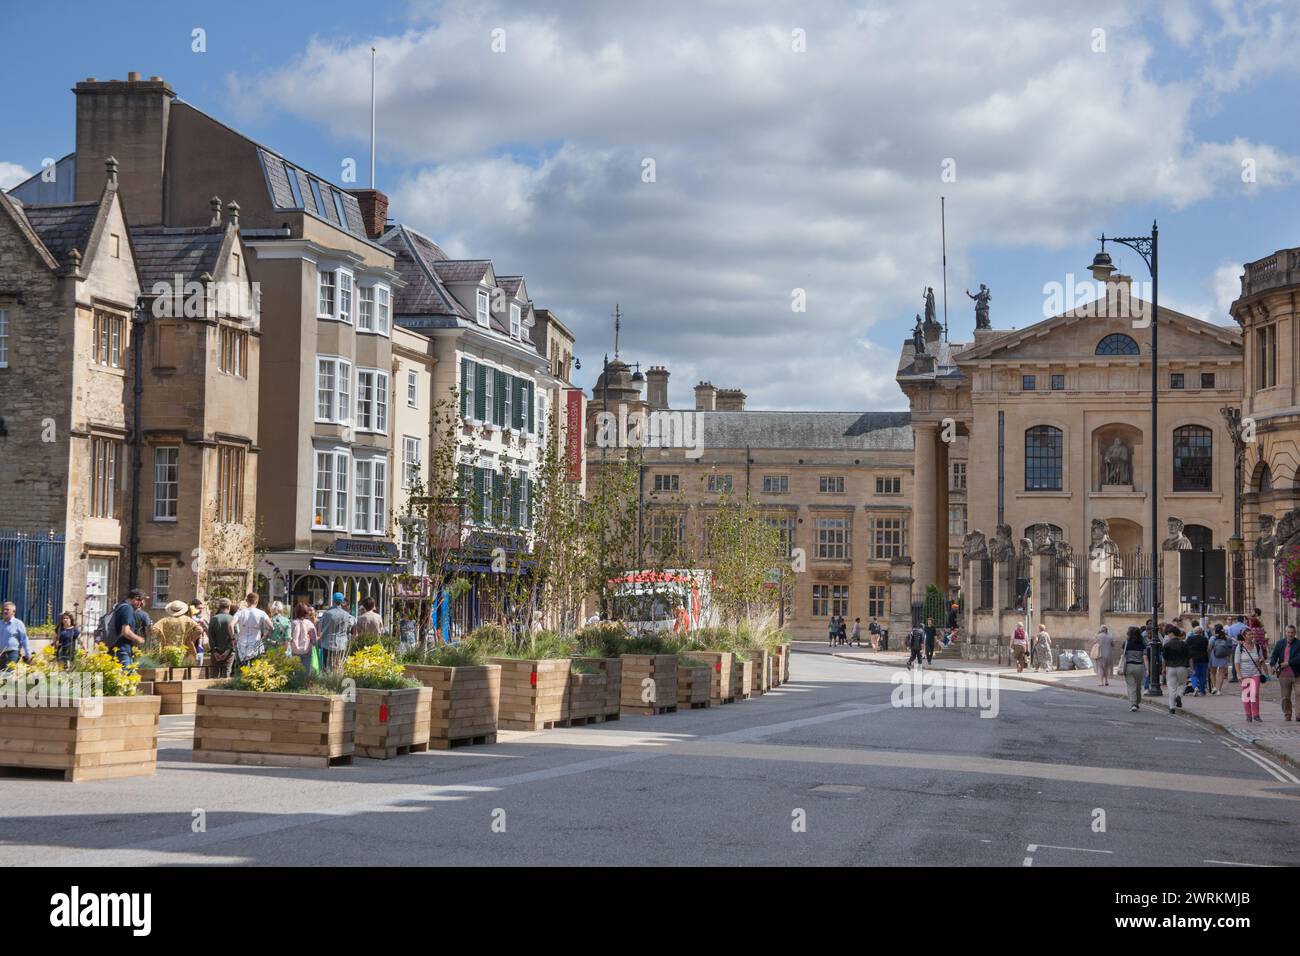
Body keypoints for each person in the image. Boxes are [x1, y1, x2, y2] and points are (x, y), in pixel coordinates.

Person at [1235, 628, 1270, 724]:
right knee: (1246, 695)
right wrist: (1239, 674)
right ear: (1244, 636)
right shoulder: (1240, 647)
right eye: (1249, 634)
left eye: (1252, 634)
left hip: (1255, 673)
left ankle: (1256, 714)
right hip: (1244, 674)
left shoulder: (1257, 646)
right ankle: (1248, 715)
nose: (1251, 636)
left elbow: (1261, 659)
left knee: (1255, 694)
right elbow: (1237, 662)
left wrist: (1266, 672)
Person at [106, 590, 147, 668]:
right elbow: (126, 631)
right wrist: (139, 639)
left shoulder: (120, 606)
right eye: (141, 600)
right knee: (127, 676)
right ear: (136, 598)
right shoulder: (127, 609)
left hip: (114, 647)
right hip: (122, 650)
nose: (141, 604)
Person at [318, 592, 356, 673]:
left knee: (326, 666)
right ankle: (337, 680)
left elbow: (319, 626)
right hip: (341, 643)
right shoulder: (346, 614)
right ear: (342, 601)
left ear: (333, 600)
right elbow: (352, 623)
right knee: (338, 665)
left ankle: (327, 681)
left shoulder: (327, 613)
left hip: (327, 643)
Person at [1268, 624, 1299, 722]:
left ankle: (1298, 715)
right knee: (1285, 697)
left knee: (1299, 694)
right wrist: (1272, 665)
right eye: (1288, 632)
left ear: (1295, 633)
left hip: (1297, 674)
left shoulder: (1299, 643)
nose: (1290, 634)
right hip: (1284, 675)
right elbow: (1274, 656)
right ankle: (1287, 714)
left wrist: (1288, 662)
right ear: (1285, 633)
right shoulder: (1280, 643)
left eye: (1292, 633)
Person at [233, 592, 272, 667]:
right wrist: (264, 637)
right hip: (256, 644)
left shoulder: (240, 612)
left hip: (242, 644)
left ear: (247, 601)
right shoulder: (261, 613)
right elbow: (271, 627)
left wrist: (233, 639)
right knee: (255, 669)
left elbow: (230, 625)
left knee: (242, 669)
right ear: (257, 601)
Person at [1162, 626, 1190, 715]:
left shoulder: (1167, 645)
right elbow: (1189, 657)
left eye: (1168, 634)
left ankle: (1172, 708)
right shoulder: (1184, 644)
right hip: (1182, 667)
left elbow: (1164, 659)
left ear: (1172, 633)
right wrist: (1191, 668)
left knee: (1171, 687)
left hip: (1170, 667)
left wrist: (1163, 668)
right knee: (1182, 684)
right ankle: (1179, 696)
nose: (1168, 636)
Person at [208, 598, 237, 679]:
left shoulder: (214, 619)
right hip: (229, 652)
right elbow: (235, 636)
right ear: (229, 607)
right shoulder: (232, 619)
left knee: (214, 675)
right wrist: (228, 650)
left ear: (219, 607)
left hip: (216, 652)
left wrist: (214, 651)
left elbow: (210, 636)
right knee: (226, 675)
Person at [1122, 625, 1147, 712]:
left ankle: (1133, 703)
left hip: (1129, 666)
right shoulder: (1142, 644)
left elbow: (1124, 656)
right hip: (1139, 667)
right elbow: (1145, 658)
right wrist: (1147, 669)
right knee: (1138, 686)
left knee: (1131, 686)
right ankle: (1137, 702)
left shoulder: (1126, 643)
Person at [288, 601, 318, 672]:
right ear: (306, 612)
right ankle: (304, 682)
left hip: (294, 651)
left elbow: (289, 637)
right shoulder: (309, 623)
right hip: (306, 650)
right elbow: (314, 641)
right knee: (305, 671)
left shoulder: (292, 623)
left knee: (295, 670)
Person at [0, 601, 31, 667]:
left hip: (12, 653)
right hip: (1, 653)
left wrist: (28, 654)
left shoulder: (18, 623)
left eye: (7, 609)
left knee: (8, 673)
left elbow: (24, 639)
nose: (5, 611)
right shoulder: (0, 623)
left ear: (13, 612)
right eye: (4, 609)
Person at [1185, 623, 1210, 698]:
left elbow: (1186, 648)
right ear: (1201, 632)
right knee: (1202, 675)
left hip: (1193, 659)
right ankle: (1202, 691)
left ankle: (1195, 687)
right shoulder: (1205, 639)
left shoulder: (1189, 639)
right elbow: (1207, 648)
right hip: (1204, 659)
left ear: (1194, 632)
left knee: (1194, 673)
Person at [1208, 623, 1233, 695]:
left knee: (1213, 673)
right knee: (1221, 674)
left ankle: (1214, 687)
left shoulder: (1213, 638)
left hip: (1214, 656)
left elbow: (1209, 648)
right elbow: (1229, 648)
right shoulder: (1227, 638)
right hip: (1223, 657)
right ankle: (1219, 690)